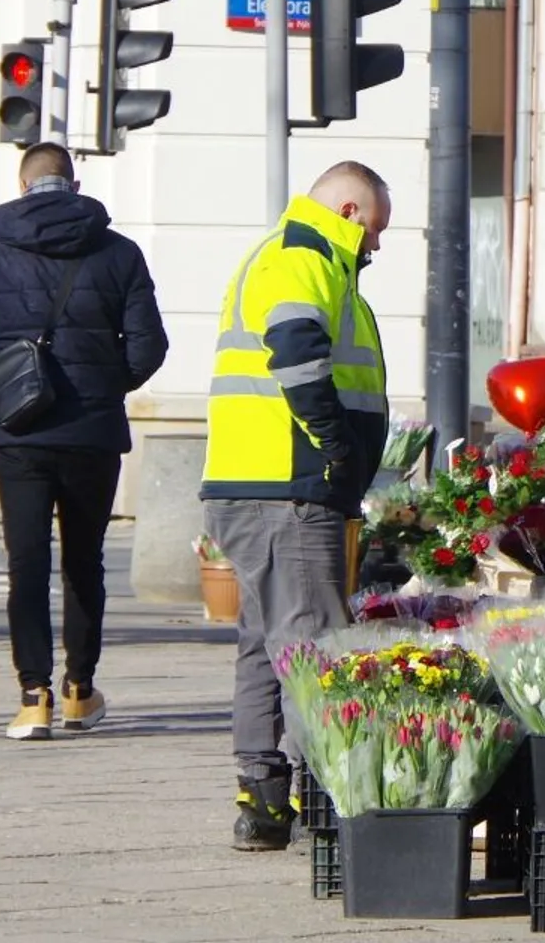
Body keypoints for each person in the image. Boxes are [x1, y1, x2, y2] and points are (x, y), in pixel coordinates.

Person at [0, 143, 168, 741]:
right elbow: (150, 346)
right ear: (72, 182)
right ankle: (79, 690)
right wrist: (102, 385)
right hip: (93, 433)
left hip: (20, 434)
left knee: (26, 562)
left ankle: (32, 696)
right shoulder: (119, 252)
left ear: (23, 186)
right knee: (84, 562)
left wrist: (6, 389)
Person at [201, 161, 390, 851]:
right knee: (313, 648)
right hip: (287, 484)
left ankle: (264, 798)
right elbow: (297, 354)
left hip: (257, 485)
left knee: (265, 644)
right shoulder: (304, 256)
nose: (375, 247)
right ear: (346, 209)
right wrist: (336, 446)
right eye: (373, 229)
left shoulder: (290, 256)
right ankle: (339, 802)